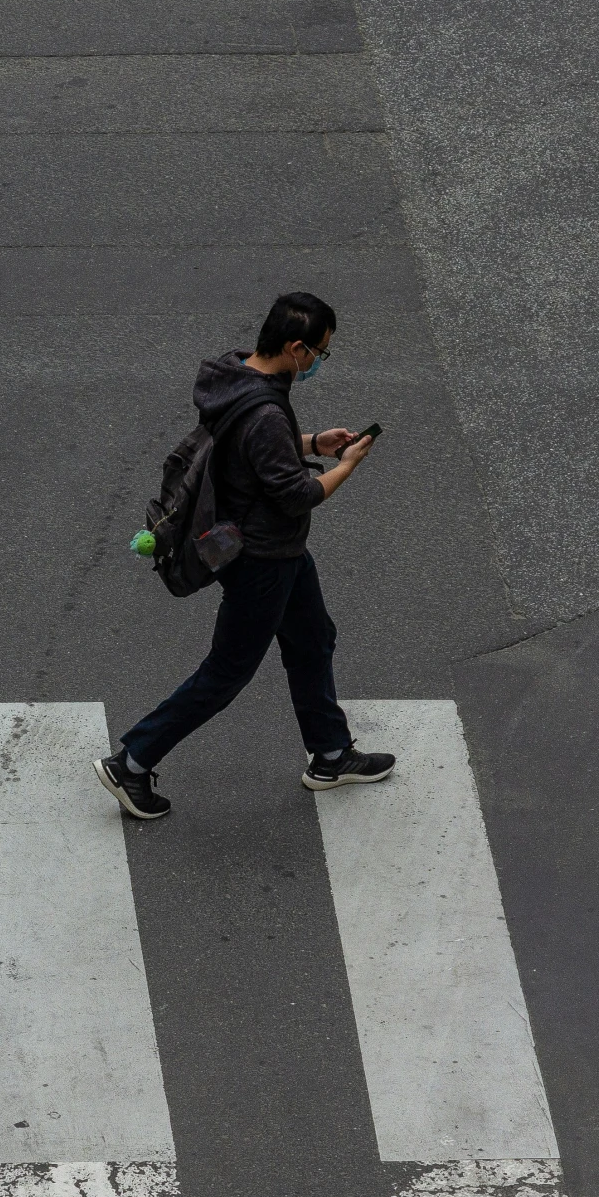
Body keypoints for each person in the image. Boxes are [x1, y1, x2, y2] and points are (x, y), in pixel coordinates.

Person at [96, 291, 393, 820]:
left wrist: (312, 443)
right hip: (262, 559)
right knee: (227, 671)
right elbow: (297, 494)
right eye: (319, 354)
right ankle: (132, 764)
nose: (318, 363)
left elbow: (250, 449)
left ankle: (330, 754)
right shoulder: (264, 413)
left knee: (312, 637)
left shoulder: (234, 372)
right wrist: (346, 464)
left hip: (277, 551)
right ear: (295, 347)